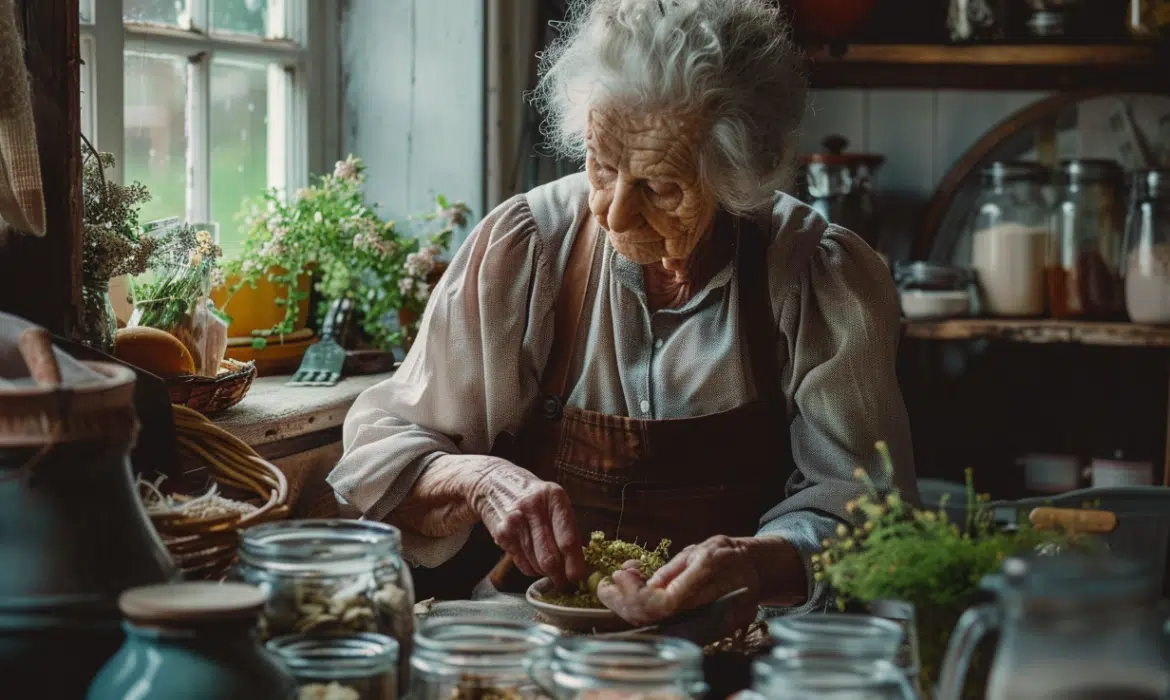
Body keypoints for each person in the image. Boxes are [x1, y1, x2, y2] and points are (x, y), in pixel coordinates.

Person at [328, 0, 917, 628]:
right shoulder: (529, 247)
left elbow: (870, 513)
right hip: (538, 633)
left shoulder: (809, 273)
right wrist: (477, 477)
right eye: (602, 167)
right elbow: (380, 453)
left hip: (736, 633)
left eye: (660, 188)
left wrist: (757, 562)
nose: (612, 213)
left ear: (738, 180)